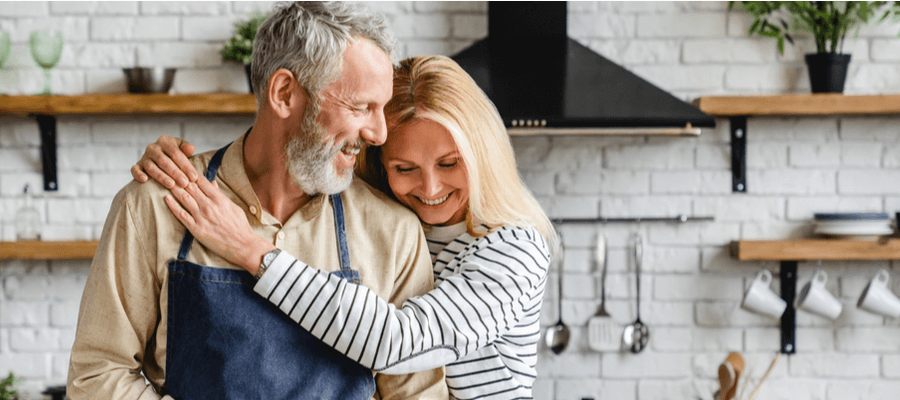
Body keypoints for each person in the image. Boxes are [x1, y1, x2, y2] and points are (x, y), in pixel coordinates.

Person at [67, 3, 447, 399]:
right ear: (284, 93)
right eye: (360, 107)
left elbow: (418, 392)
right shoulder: (153, 205)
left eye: (382, 109)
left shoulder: (393, 231)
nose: (379, 134)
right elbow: (97, 375)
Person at [132, 55, 557, 399]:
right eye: (405, 167)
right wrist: (186, 164)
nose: (430, 188)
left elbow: (398, 342)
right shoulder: (389, 216)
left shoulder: (514, 247)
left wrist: (250, 248)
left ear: (483, 153)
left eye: (450, 163)